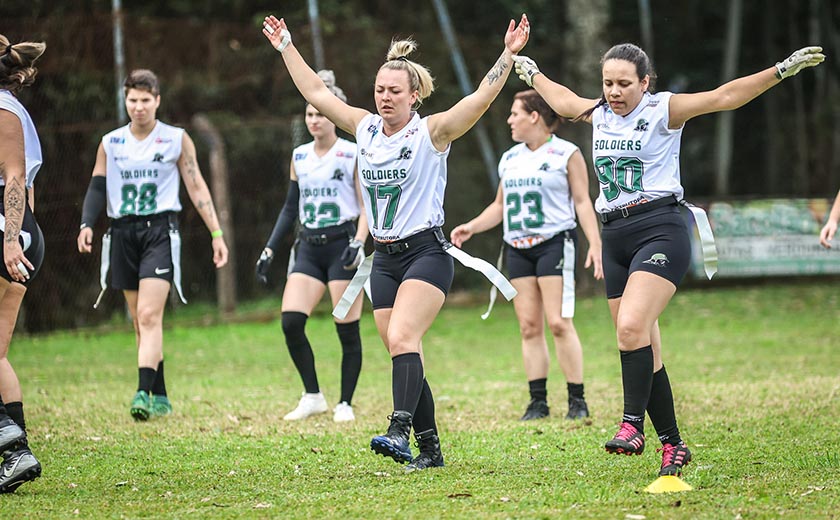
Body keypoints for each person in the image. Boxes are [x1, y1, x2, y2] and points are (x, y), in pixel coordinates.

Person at [511, 43, 824, 477]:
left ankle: (631, 423)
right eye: (607, 83)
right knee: (645, 348)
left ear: (645, 82)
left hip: (660, 227)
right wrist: (531, 73)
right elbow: (563, 101)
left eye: (624, 83)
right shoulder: (600, 112)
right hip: (615, 234)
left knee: (630, 328)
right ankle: (673, 445)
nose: (614, 92)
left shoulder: (664, 110)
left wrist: (781, 70)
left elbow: (724, 96)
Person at [261, 13, 529, 471]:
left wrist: (507, 55)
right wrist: (287, 45)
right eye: (380, 90)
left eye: (395, 91)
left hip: (426, 253)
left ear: (415, 96)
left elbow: (481, 98)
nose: (385, 97)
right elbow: (317, 93)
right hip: (383, 259)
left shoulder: (431, 133)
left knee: (405, 337)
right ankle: (431, 450)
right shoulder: (364, 128)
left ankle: (399, 429)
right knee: (403, 350)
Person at [77, 69, 229, 421]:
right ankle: (160, 392)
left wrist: (216, 234)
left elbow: (196, 186)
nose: (139, 107)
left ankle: (143, 392)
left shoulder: (175, 139)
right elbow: (97, 185)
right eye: (133, 100)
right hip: (122, 234)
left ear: (157, 101)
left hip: (159, 232)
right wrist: (86, 223)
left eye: (146, 100)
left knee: (149, 315)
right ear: (125, 100)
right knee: (139, 321)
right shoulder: (110, 142)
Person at [450, 89, 603, 422]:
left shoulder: (566, 153)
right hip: (518, 249)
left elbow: (581, 201)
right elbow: (500, 206)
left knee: (559, 323)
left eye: (515, 113)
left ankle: (577, 400)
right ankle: (538, 402)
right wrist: (471, 227)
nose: (509, 120)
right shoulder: (511, 158)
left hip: (553, 243)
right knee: (529, 326)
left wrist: (594, 241)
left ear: (534, 116)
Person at [255, 70, 368, 423]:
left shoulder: (352, 153)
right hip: (309, 246)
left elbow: (367, 205)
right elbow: (291, 207)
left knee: (345, 325)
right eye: (310, 113)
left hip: (342, 244)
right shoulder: (300, 156)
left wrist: (359, 242)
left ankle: (345, 402)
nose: (315, 119)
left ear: (336, 113)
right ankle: (313, 395)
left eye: (321, 112)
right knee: (291, 321)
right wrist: (270, 249)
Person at [0, 34, 46, 492]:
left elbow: (14, 179)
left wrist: (11, 241)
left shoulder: (3, 109)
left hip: (8, 232)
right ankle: (17, 454)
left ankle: (3, 430)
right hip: (18, 230)